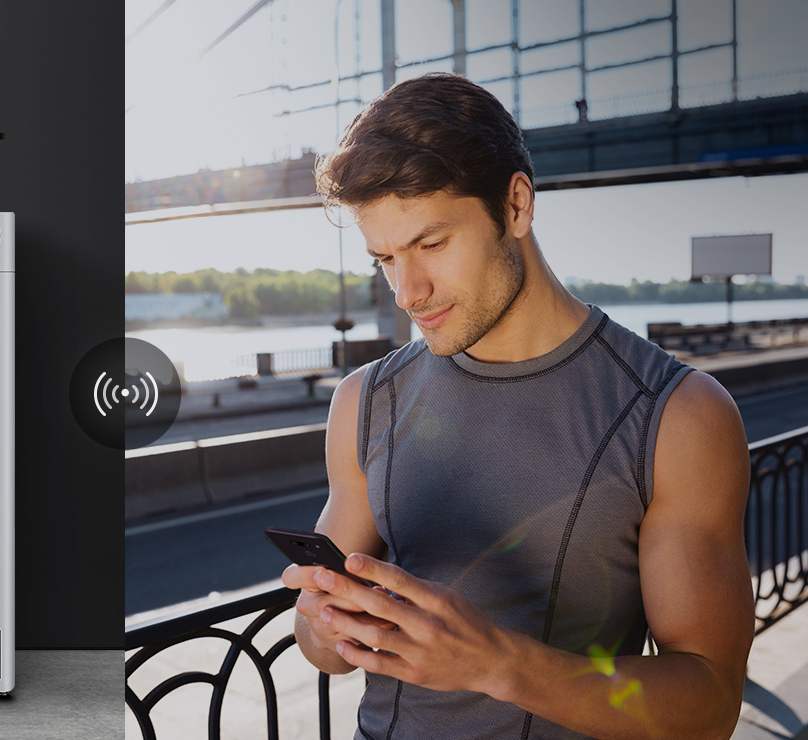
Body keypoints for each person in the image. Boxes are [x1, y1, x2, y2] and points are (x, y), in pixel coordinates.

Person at [280, 73, 754, 740]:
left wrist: (499, 665)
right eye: (384, 258)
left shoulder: (677, 416)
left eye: (431, 244)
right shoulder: (364, 399)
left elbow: (710, 704)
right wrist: (328, 625)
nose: (407, 293)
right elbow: (320, 645)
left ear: (516, 205)